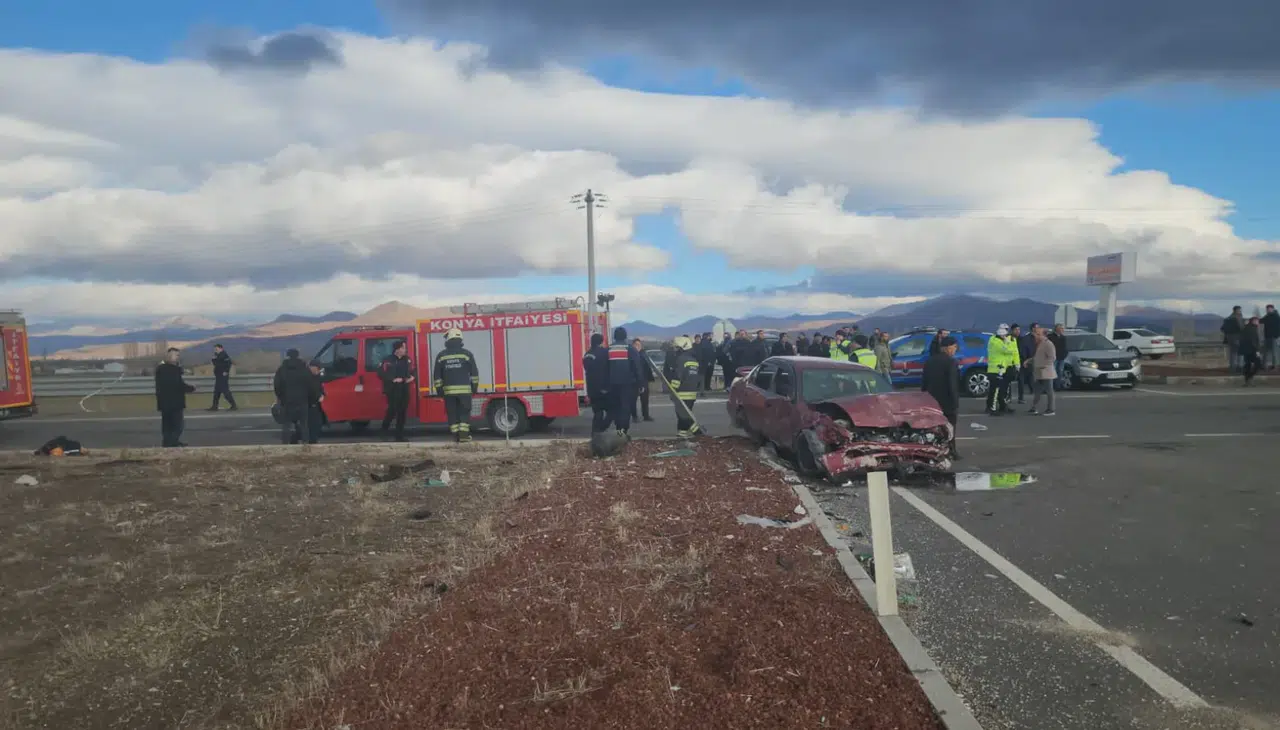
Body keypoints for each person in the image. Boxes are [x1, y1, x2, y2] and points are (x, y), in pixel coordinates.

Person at [434, 328, 480, 441]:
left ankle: (456, 436)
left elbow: (437, 375)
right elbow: (474, 373)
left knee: (452, 413)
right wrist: (474, 387)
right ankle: (464, 436)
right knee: (464, 412)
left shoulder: (441, 355)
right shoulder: (467, 354)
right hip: (465, 392)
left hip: (449, 392)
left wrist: (439, 390)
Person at [921, 335, 961, 459]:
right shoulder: (951, 362)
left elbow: (924, 383)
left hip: (931, 401)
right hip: (947, 401)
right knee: (950, 428)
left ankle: (934, 450)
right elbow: (952, 384)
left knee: (933, 428)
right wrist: (955, 402)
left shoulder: (929, 361)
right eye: (954, 347)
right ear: (948, 348)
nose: (955, 350)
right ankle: (951, 451)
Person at [606, 326, 644, 438]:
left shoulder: (608, 349)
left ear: (614, 336)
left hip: (611, 384)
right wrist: (640, 383)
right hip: (627, 384)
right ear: (625, 336)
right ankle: (623, 432)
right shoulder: (630, 349)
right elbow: (637, 368)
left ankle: (618, 429)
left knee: (616, 407)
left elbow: (604, 368)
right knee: (625, 407)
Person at [274, 348, 317, 444]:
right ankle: (305, 445)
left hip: (287, 401)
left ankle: (285, 445)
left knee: (286, 425)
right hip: (302, 401)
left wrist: (281, 398)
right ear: (298, 355)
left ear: (287, 355)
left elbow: (277, 386)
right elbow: (311, 385)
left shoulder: (282, 369)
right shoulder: (304, 369)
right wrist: (310, 400)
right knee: (304, 424)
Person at [154, 347, 195, 448]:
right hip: (175, 401)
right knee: (177, 425)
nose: (178, 357)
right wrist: (191, 388)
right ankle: (172, 443)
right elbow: (178, 385)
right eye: (176, 355)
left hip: (163, 401)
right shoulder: (173, 370)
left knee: (167, 425)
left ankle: (167, 443)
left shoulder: (160, 369)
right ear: (170, 356)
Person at [664, 335, 703, 438]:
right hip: (692, 393)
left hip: (682, 393)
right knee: (684, 415)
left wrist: (673, 389)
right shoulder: (694, 360)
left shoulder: (681, 359)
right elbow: (697, 377)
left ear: (683, 348)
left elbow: (678, 376)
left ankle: (697, 431)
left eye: (677, 348)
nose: (675, 350)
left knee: (683, 415)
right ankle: (682, 434)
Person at [379, 341, 414, 442]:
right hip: (392, 389)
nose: (405, 350)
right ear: (397, 349)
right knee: (392, 411)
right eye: (403, 348)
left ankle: (399, 436)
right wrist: (392, 379)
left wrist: (412, 377)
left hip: (404, 388)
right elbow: (380, 373)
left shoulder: (407, 359)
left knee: (402, 412)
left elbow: (413, 371)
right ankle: (383, 431)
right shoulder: (388, 360)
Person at [985, 324, 1020, 415]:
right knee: (994, 389)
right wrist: (1007, 342)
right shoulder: (994, 340)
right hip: (996, 368)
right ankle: (991, 407)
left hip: (1007, 367)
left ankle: (1003, 406)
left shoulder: (1011, 339)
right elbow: (1006, 350)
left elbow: (1015, 352)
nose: (1005, 334)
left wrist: (1017, 364)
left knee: (1004, 389)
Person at [583, 333, 610, 433]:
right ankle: (602, 428)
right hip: (604, 388)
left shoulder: (587, 354)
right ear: (601, 342)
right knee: (612, 410)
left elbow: (587, 370)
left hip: (592, 389)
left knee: (598, 412)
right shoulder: (604, 352)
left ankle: (595, 433)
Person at [1028, 327, 1057, 416]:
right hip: (1039, 371)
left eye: (1038, 334)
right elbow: (1038, 356)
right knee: (1037, 391)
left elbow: (1052, 358)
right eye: (1036, 334)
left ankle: (1051, 409)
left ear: (1044, 335)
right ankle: (1034, 408)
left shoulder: (1048, 344)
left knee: (1049, 391)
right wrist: (1029, 361)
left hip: (1046, 372)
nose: (1036, 336)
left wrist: (1044, 366)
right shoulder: (1040, 343)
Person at [630, 338, 655, 422]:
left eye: (639, 345)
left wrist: (649, 377)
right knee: (633, 400)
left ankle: (646, 415)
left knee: (645, 399)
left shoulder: (644, 354)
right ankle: (634, 416)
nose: (638, 346)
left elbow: (648, 366)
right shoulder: (630, 355)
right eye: (636, 345)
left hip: (644, 380)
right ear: (633, 345)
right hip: (634, 381)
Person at [208, 344, 238, 411]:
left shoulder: (224, 355)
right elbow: (216, 364)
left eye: (216, 349)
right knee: (216, 392)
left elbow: (229, 363)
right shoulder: (217, 355)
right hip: (218, 376)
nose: (215, 350)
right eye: (214, 349)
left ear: (221, 348)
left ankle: (234, 405)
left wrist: (226, 371)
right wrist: (213, 359)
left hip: (223, 376)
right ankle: (214, 406)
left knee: (225, 391)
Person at [1012, 323, 1034, 404]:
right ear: (1012, 330)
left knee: (1022, 380)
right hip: (1011, 362)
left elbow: (1026, 349)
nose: (1018, 331)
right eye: (1016, 330)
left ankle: (1021, 398)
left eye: (1018, 329)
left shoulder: (1022, 339)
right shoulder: (1009, 339)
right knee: (1009, 381)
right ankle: (1007, 398)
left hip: (1022, 362)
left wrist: (1028, 360)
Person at [307, 360, 326, 444]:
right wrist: (318, 396)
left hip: (316, 405)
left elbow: (320, 387)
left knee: (318, 423)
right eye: (317, 369)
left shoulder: (317, 377)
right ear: (312, 367)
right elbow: (311, 390)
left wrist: (323, 394)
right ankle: (312, 441)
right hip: (309, 405)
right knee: (312, 424)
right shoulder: (307, 377)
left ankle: (313, 440)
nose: (318, 371)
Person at [1240, 316, 1263, 386]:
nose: (1258, 322)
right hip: (1252, 350)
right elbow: (1253, 341)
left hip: (1246, 350)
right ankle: (1249, 377)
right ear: (1253, 321)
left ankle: (1247, 380)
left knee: (1248, 365)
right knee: (1258, 364)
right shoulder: (1252, 329)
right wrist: (1257, 350)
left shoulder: (1247, 328)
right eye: (1257, 321)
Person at [1221, 305, 1244, 373]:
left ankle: (1232, 367)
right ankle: (1239, 367)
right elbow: (1241, 328)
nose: (1240, 311)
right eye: (1239, 310)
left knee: (1233, 353)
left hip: (1230, 338)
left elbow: (1222, 328)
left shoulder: (1228, 319)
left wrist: (1228, 334)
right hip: (1238, 337)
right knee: (1240, 352)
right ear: (1236, 310)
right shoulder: (1238, 318)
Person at [1047, 324, 1069, 390]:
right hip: (1053, 358)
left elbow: (1065, 347)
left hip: (1061, 358)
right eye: (1061, 328)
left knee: (1060, 371)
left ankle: (1058, 386)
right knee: (1052, 372)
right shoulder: (1050, 337)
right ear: (1056, 329)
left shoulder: (1063, 337)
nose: (1062, 330)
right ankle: (1051, 386)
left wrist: (1065, 355)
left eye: (1062, 328)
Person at [1262, 304, 1280, 370]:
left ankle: (1275, 365)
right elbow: (1261, 320)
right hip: (1267, 336)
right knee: (1266, 352)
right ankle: (1265, 365)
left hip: (1274, 337)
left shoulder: (1276, 316)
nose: (1268, 310)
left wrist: (1277, 336)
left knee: (1274, 352)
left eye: (1269, 309)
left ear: (1272, 309)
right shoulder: (1267, 316)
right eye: (1267, 309)